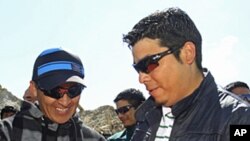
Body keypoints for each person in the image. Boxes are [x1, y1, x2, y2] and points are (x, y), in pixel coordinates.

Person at [122, 7, 250, 141]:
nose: (141, 78)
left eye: (148, 64)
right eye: (138, 69)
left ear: (187, 53)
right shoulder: (146, 116)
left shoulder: (239, 119)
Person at [0, 48, 106, 141]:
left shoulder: (94, 139)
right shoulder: (6, 133)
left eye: (74, 90)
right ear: (34, 89)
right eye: (54, 90)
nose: (65, 101)